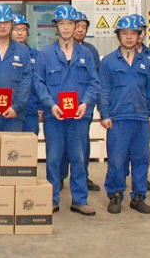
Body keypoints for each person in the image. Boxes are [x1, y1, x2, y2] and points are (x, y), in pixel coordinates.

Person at [34, 4, 99, 216]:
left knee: (79, 158)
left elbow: (93, 83)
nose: (66, 27)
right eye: (62, 23)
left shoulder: (86, 54)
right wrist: (50, 105)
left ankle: (79, 200)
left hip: (78, 117)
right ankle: (52, 199)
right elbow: (39, 83)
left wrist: (85, 103)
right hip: (55, 116)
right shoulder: (46, 54)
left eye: (70, 23)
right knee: (53, 159)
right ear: (56, 26)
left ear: (76, 26)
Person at [98, 16, 150, 215]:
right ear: (118, 36)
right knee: (116, 160)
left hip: (141, 118)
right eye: (125, 33)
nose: (129, 37)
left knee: (141, 159)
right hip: (118, 118)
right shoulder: (108, 62)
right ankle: (115, 195)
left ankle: (139, 197)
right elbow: (103, 90)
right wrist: (104, 114)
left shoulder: (146, 62)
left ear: (140, 36)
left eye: (133, 33)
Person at [61, 11, 101, 192]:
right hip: (60, 109)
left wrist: (87, 103)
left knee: (81, 147)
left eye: (84, 27)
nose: (80, 30)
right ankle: (60, 177)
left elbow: (95, 80)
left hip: (83, 108)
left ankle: (82, 178)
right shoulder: (54, 51)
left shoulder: (90, 52)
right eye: (77, 26)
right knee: (61, 147)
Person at [132, 13, 150, 191]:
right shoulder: (115, 58)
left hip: (144, 108)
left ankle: (141, 180)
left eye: (141, 31)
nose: (138, 34)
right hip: (124, 109)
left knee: (142, 150)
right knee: (121, 153)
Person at [11, 14, 43, 135]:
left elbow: (41, 83)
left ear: (28, 32)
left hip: (31, 110)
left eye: (23, 29)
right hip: (10, 110)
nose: (20, 33)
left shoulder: (37, 56)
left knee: (29, 145)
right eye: (16, 29)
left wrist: (41, 107)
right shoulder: (5, 55)